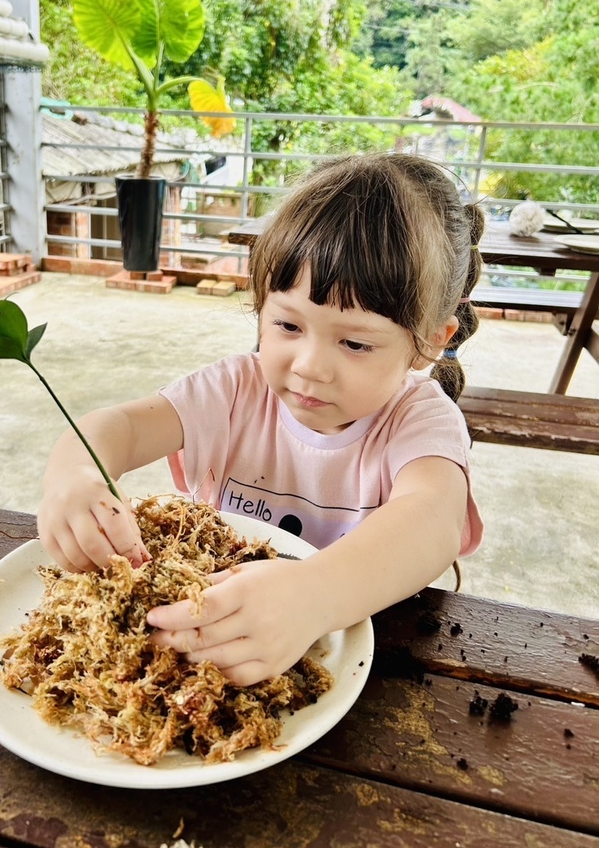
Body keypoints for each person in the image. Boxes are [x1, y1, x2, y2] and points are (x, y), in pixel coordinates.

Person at [38, 153, 485, 686]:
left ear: (430, 342)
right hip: (210, 655)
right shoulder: (235, 391)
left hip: (360, 669)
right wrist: (75, 475)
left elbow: (431, 521)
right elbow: (122, 428)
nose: (310, 366)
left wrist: (316, 594)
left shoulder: (419, 419)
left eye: (356, 342)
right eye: (287, 326)